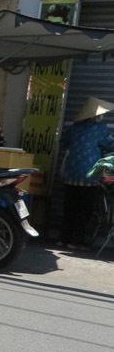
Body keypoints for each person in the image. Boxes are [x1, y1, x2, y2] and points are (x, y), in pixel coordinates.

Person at [57, 96, 114, 251]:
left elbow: (63, 143)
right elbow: (110, 145)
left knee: (69, 208)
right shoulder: (101, 129)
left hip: (70, 174)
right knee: (84, 210)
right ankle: (76, 241)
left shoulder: (74, 128)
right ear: (97, 115)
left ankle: (63, 239)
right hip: (89, 175)